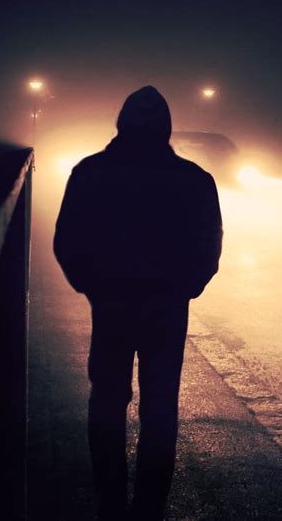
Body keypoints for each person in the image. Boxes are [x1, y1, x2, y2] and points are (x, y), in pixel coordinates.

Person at [53, 86, 223, 520]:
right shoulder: (195, 179)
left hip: (111, 305)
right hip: (166, 309)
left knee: (107, 399)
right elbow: (208, 246)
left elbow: (67, 240)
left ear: (120, 124)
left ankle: (109, 501)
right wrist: (185, 287)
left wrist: (92, 286)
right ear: (166, 128)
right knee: (160, 405)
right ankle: (148, 508)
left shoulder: (91, 172)